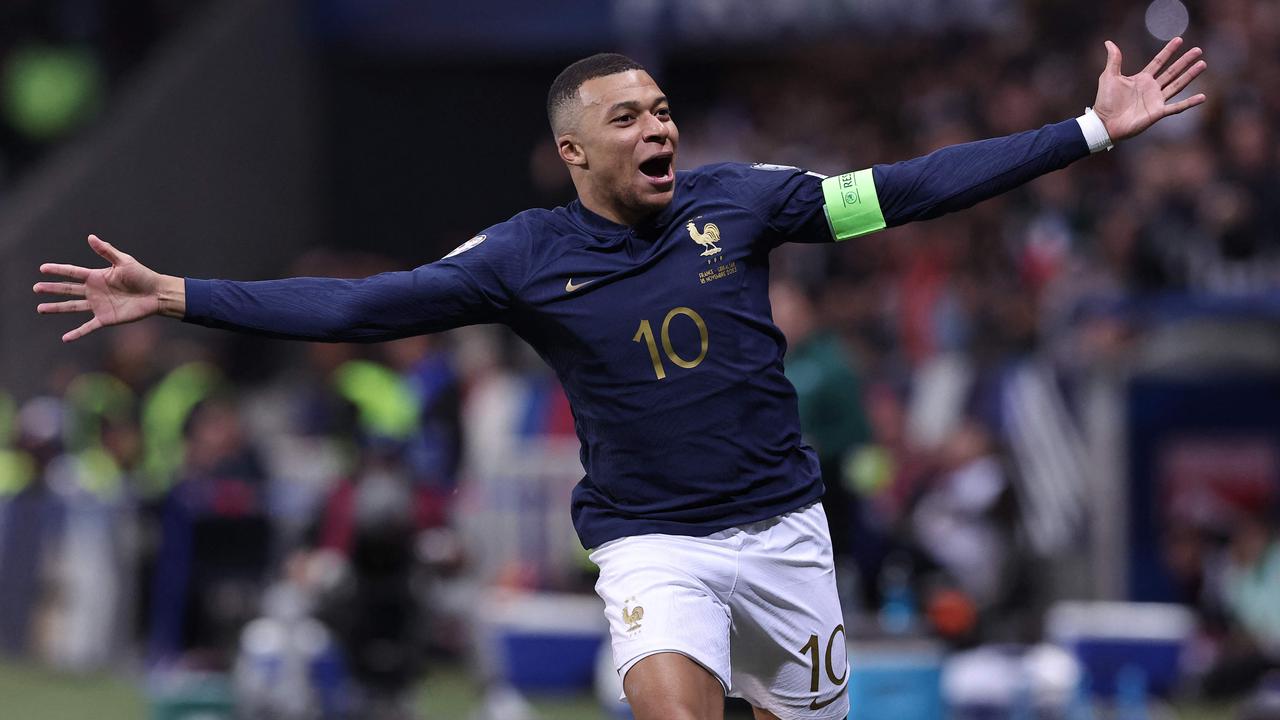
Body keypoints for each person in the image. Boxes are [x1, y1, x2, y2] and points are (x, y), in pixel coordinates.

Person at [35, 39, 1205, 720]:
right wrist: (179, 292)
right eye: (626, 118)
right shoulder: (521, 257)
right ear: (573, 152)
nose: (656, 129)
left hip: (784, 537)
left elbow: (909, 186)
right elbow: (358, 304)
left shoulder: (745, 201)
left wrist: (1088, 132)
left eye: (661, 111)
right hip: (655, 545)